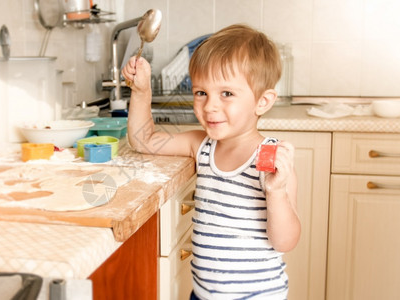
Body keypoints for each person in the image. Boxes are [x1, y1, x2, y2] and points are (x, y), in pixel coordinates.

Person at [122, 24, 301, 299]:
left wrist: (276, 192)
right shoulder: (202, 145)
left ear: (262, 102)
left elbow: (285, 241)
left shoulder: (269, 159)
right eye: (201, 92)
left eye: (226, 93)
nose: (209, 106)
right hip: (203, 294)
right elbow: (143, 140)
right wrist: (141, 90)